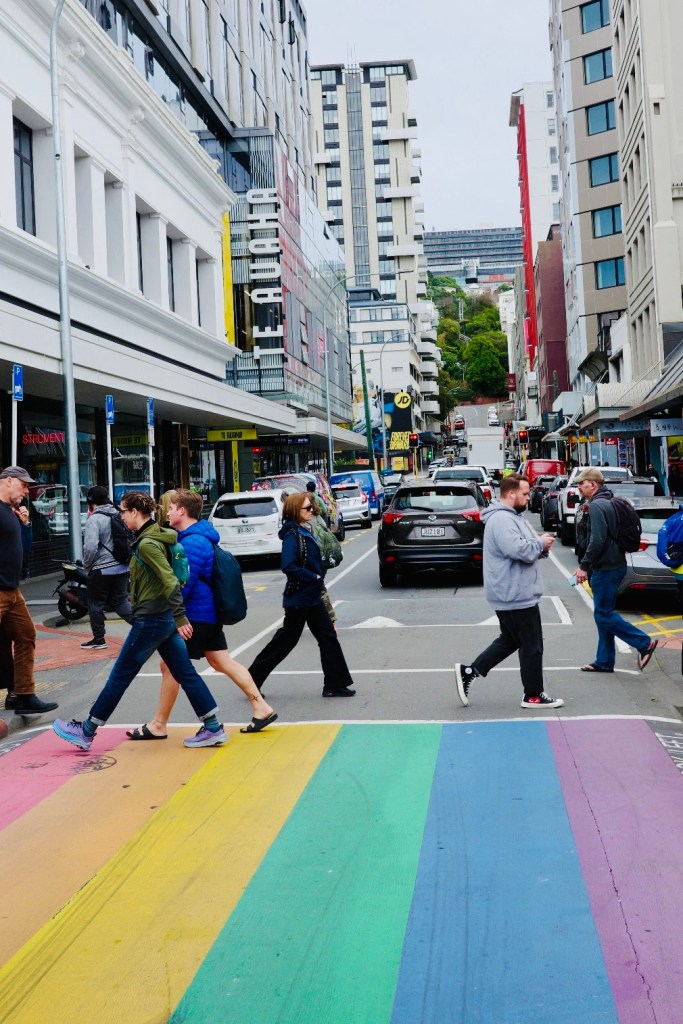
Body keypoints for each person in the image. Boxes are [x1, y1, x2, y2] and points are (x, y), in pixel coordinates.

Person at [52, 491, 226, 750]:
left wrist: (180, 617)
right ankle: (213, 727)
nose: (121, 516)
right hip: (162, 617)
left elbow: (169, 579)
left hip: (153, 619)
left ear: (135, 512)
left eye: (123, 511)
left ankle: (86, 731)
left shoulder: (147, 544)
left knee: (120, 675)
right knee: (185, 673)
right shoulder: (156, 536)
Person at [127, 488, 277, 739]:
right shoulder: (196, 537)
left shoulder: (193, 541)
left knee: (171, 665)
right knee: (220, 661)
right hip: (209, 614)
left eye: (172, 508)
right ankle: (261, 707)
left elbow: (184, 583)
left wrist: (171, 612)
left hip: (197, 616)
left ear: (182, 511)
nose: (169, 511)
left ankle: (159, 724)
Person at [455, 474, 564, 709]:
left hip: (513, 591)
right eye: (525, 494)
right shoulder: (503, 520)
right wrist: (539, 544)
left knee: (510, 640)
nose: (528, 498)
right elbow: (517, 549)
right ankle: (533, 695)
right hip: (515, 593)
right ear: (511, 494)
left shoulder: (511, 517)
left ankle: (470, 671)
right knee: (532, 645)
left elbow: (526, 547)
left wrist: (540, 546)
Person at [248, 491, 356, 697]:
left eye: (312, 507)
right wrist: (312, 577)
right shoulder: (292, 535)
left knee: (328, 637)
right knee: (286, 641)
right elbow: (287, 565)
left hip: (312, 596)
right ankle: (251, 681)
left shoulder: (302, 530)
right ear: (294, 511)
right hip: (299, 597)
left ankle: (334, 684)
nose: (311, 511)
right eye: (307, 508)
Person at [573, 468, 657, 672]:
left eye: (581, 483)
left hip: (606, 567)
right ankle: (604, 660)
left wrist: (584, 565)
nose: (578, 487)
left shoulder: (597, 506)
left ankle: (644, 643)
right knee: (604, 613)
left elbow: (597, 540)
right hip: (615, 564)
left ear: (593, 485)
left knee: (603, 614)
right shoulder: (609, 501)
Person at [0, 466, 58, 714]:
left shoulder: (10, 513)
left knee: (26, 635)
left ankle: (23, 695)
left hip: (13, 590)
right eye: (23, 485)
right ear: (8, 480)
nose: (26, 491)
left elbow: (25, 549)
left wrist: (25, 525)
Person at [80, 486, 133, 650]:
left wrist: (87, 565)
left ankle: (99, 639)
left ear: (91, 502)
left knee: (95, 603)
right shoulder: (119, 514)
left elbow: (90, 547)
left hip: (102, 569)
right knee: (121, 602)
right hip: (123, 567)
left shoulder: (94, 519)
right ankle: (146, 627)